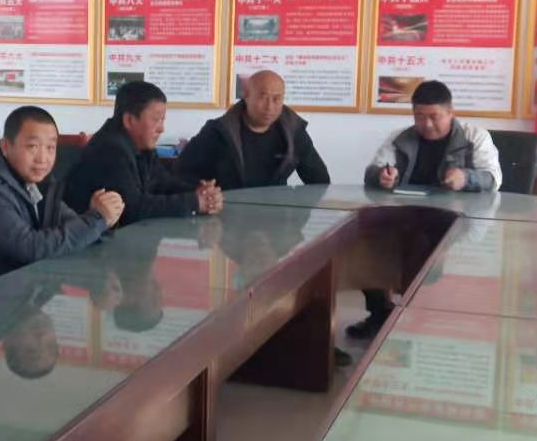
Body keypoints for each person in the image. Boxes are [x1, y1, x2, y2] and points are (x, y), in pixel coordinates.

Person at [349, 80, 502, 339]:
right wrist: (382, 177)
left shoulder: (475, 137)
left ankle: (416, 319)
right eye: (419, 116)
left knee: (422, 249)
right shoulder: (401, 138)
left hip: (457, 222)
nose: (427, 124)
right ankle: (380, 315)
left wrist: (466, 178)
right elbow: (372, 171)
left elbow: (493, 178)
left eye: (434, 116)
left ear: (451, 112)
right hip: (406, 218)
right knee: (363, 244)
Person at [0, 106, 124, 299]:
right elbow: (32, 249)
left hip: (8, 295)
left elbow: (73, 226)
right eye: (32, 147)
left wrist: (104, 216)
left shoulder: (37, 182)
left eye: (50, 147)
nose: (43, 158)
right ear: (5, 147)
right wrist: (96, 219)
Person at [65, 80, 224, 225]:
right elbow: (132, 209)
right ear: (129, 120)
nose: (161, 129)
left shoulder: (141, 145)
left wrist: (199, 191)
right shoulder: (109, 151)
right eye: (156, 119)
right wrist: (194, 202)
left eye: (163, 120)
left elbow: (163, 183)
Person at [177, 69, 331, 190]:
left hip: (277, 214)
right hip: (227, 212)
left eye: (277, 99)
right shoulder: (218, 131)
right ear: (246, 95)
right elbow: (181, 173)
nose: (269, 107)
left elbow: (319, 181)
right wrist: (204, 195)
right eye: (263, 97)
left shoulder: (293, 132)